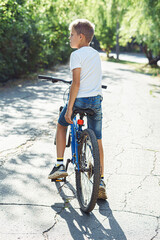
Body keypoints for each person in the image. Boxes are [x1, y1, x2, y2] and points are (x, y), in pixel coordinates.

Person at [48, 19, 107, 200]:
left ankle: (59, 166)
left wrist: (70, 108)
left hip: (80, 100)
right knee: (97, 139)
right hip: (95, 100)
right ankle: (101, 181)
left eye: (71, 34)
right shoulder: (96, 54)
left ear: (81, 37)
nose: (69, 37)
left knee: (61, 124)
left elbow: (76, 83)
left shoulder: (77, 55)